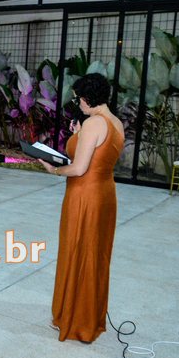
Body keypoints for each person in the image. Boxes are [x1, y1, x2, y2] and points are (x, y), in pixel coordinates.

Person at [39, 73, 124, 343]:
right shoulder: (115, 122)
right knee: (95, 255)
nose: (78, 104)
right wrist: (78, 136)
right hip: (105, 193)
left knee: (76, 251)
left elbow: (79, 168)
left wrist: (54, 170)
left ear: (87, 98)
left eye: (78, 99)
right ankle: (89, 316)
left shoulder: (94, 123)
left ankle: (75, 319)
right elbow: (99, 157)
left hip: (84, 196)